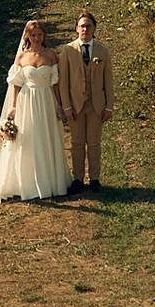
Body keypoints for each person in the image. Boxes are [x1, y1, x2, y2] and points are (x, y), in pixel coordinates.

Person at [0, 20, 72, 202]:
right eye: (33, 35)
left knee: (46, 137)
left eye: (39, 34)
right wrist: (13, 107)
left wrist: (58, 106)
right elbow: (15, 84)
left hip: (45, 100)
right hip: (26, 101)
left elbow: (55, 84)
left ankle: (51, 182)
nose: (37, 38)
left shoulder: (51, 56)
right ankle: (26, 183)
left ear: (44, 36)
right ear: (28, 36)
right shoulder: (22, 57)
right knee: (28, 139)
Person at [58, 10, 114, 194]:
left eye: (88, 26)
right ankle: (78, 178)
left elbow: (108, 81)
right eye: (82, 26)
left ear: (94, 28)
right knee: (77, 142)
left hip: (96, 105)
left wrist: (108, 106)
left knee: (94, 142)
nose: (85, 29)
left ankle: (95, 178)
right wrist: (66, 106)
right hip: (75, 105)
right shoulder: (67, 51)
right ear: (76, 28)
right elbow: (63, 82)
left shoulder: (102, 50)